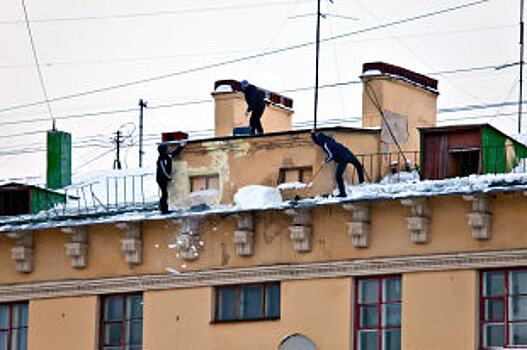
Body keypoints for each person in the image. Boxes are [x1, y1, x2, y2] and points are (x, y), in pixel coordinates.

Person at [311, 131, 364, 197]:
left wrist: (326, 161)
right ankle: (362, 183)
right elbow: (317, 142)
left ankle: (343, 193)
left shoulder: (326, 144)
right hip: (348, 153)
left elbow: (331, 154)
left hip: (343, 158)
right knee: (358, 166)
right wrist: (312, 135)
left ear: (321, 140)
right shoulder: (329, 141)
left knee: (338, 176)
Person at [156, 142, 185, 214]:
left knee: (165, 193)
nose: (168, 150)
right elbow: (163, 170)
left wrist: (181, 146)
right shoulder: (161, 159)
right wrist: (169, 177)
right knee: (164, 193)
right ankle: (163, 209)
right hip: (160, 178)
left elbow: (175, 153)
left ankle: (162, 206)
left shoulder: (167, 156)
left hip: (165, 177)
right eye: (166, 149)